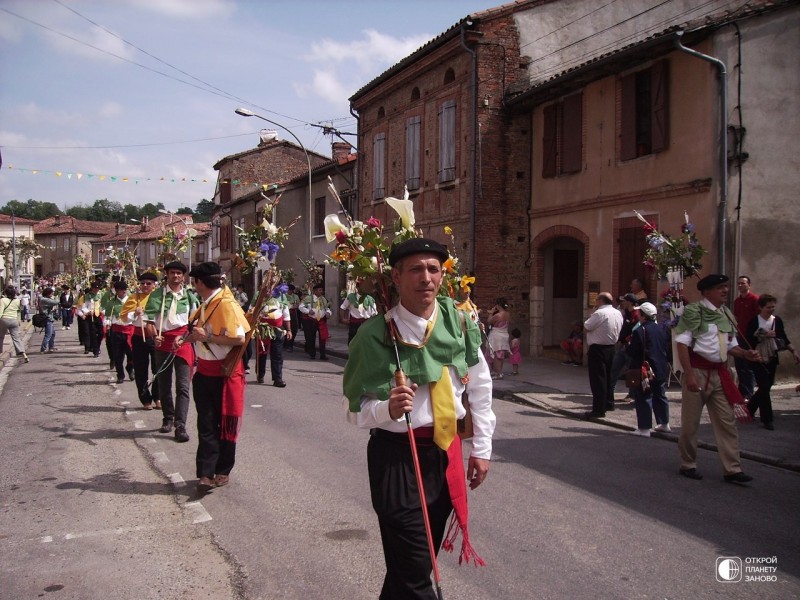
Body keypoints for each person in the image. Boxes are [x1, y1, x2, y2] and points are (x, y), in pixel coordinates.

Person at [343, 237, 495, 600]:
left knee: (412, 565)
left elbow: (480, 387)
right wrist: (387, 409)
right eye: (415, 269)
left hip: (444, 455)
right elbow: (353, 412)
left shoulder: (458, 322)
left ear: (443, 276)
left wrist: (482, 448)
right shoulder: (373, 335)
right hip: (397, 458)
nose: (426, 277)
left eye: (433, 269)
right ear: (396, 276)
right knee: (413, 573)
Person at [674, 274, 761, 483]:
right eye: (720, 287)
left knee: (727, 422)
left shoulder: (726, 314)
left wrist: (746, 354)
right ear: (707, 292)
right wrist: (690, 375)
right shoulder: (695, 312)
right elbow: (682, 344)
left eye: (725, 287)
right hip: (698, 372)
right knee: (690, 424)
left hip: (721, 374)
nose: (725, 291)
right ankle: (688, 463)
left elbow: (731, 346)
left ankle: (732, 469)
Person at [176, 262, 250, 493]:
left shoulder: (226, 304)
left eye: (194, 282)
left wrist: (206, 336)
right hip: (204, 372)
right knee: (206, 423)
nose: (193, 286)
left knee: (223, 424)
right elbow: (200, 334)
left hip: (223, 374)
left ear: (199, 282)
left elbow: (238, 339)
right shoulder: (206, 304)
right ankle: (205, 473)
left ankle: (222, 470)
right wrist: (188, 339)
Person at [144, 261, 199, 443]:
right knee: (164, 384)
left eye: (179, 273)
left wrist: (184, 336)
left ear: (183, 276)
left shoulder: (190, 296)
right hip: (163, 340)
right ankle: (168, 417)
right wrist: (154, 336)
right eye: (172, 273)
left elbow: (194, 323)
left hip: (183, 341)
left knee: (183, 386)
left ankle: (180, 425)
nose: (176, 276)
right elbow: (149, 322)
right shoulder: (157, 296)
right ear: (166, 274)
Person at [746, 294, 800, 430]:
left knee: (766, 387)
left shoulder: (777, 321)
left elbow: (784, 338)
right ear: (761, 308)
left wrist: (793, 351)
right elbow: (748, 340)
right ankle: (767, 419)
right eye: (768, 307)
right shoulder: (754, 321)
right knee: (764, 386)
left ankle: (750, 409)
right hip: (758, 358)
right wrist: (762, 335)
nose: (771, 309)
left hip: (772, 358)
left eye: (773, 307)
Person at [627, 302, 670, 436]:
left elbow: (632, 351)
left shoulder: (640, 330)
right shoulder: (661, 329)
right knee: (660, 394)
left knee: (644, 395)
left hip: (645, 369)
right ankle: (664, 423)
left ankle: (644, 428)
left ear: (643, 315)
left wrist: (628, 346)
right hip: (660, 367)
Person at [121, 272, 161, 410]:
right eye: (142, 283)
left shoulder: (159, 297)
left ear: (154, 285)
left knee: (158, 368)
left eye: (148, 283)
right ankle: (145, 399)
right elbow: (124, 318)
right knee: (141, 369)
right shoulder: (133, 298)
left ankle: (158, 396)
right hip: (139, 336)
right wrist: (135, 313)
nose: (145, 285)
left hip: (156, 336)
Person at [582, 292, 623, 419]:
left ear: (601, 300)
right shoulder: (617, 312)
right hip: (611, 347)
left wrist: (591, 314)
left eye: (597, 299)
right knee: (609, 377)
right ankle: (609, 403)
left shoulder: (600, 313)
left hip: (598, 349)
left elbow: (587, 326)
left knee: (598, 379)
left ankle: (598, 409)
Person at [255, 293, 291, 387]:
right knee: (262, 352)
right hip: (263, 328)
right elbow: (252, 310)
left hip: (278, 328)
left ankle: (278, 379)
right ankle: (260, 374)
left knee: (277, 353)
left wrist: (289, 330)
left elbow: (286, 315)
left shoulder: (282, 296)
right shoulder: (259, 294)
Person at [733, 275, 760, 401]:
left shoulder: (754, 299)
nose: (740, 286)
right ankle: (742, 391)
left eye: (743, 283)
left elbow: (758, 318)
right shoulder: (737, 301)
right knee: (740, 365)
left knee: (748, 366)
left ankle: (749, 393)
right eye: (738, 283)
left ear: (749, 285)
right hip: (740, 335)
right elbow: (736, 318)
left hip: (751, 336)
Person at [610, 293, 640, 400]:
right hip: (623, 346)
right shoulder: (626, 313)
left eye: (625, 301)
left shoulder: (636, 314)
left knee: (630, 371)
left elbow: (635, 331)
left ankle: (632, 395)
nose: (623, 303)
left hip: (630, 347)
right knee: (614, 368)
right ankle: (609, 393)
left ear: (630, 302)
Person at [107, 280, 135, 385]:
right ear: (116, 291)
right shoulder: (112, 302)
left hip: (129, 330)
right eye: (120, 290)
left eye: (124, 290)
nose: (123, 292)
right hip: (117, 330)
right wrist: (107, 322)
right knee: (118, 355)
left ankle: (130, 367)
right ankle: (120, 375)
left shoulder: (131, 301)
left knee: (131, 353)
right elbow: (107, 316)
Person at [299, 283, 332, 359]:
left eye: (322, 290)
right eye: (320, 290)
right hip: (311, 321)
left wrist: (328, 313)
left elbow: (327, 308)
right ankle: (312, 353)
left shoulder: (323, 299)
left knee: (323, 338)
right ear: (315, 291)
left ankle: (323, 354)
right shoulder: (308, 298)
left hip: (321, 321)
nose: (321, 291)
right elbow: (300, 307)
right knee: (311, 337)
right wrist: (308, 311)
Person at [76, 280, 104, 358]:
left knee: (101, 333)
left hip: (98, 315)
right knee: (93, 333)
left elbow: (103, 305)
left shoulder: (101, 295)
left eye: (97, 288)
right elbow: (83, 307)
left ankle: (97, 346)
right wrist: (88, 312)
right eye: (95, 288)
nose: (96, 290)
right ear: (92, 288)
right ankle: (95, 351)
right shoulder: (86, 296)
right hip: (90, 316)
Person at [0, 286, 28, 362]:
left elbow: (1, 311)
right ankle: (23, 353)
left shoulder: (3, 300)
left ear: (5, 293)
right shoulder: (17, 301)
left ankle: (0, 352)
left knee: (1, 337)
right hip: (14, 320)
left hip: (4, 319)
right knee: (16, 338)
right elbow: (19, 311)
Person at [487, 297, 511, 379]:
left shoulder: (498, 315)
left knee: (496, 355)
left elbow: (489, 321)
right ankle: (500, 372)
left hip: (497, 335)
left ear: (498, 305)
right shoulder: (507, 314)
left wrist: (491, 313)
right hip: (505, 334)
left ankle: (498, 374)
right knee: (501, 355)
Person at [37, 287, 60, 353]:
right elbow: (56, 302)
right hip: (47, 318)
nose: (52, 294)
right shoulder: (44, 299)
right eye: (51, 293)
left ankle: (51, 347)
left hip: (50, 318)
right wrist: (56, 296)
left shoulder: (45, 299)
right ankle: (43, 349)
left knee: (52, 333)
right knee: (48, 334)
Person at [283, 284, 300, 352]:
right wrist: (292, 305)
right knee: (285, 328)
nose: (290, 291)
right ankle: (286, 343)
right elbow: (285, 305)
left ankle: (290, 344)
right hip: (285, 314)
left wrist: (294, 306)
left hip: (293, 314)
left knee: (294, 329)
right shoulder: (283, 296)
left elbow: (297, 304)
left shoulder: (295, 296)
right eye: (289, 290)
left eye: (291, 290)